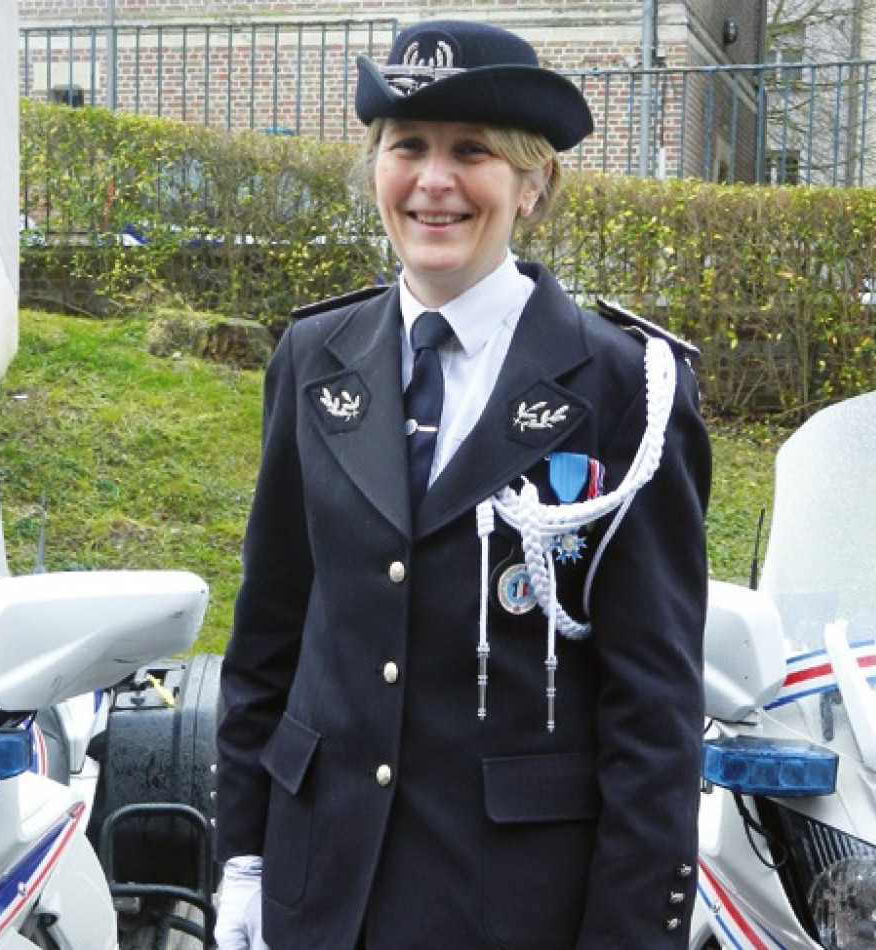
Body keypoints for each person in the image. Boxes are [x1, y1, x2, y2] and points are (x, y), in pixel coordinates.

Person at [214, 19, 711, 950]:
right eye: (407, 147)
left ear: (533, 184)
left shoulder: (625, 387)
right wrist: (244, 854)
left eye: (471, 151)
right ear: (375, 171)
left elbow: (654, 710)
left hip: (514, 906)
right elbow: (270, 634)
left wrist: (630, 934)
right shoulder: (315, 356)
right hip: (319, 890)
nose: (432, 181)